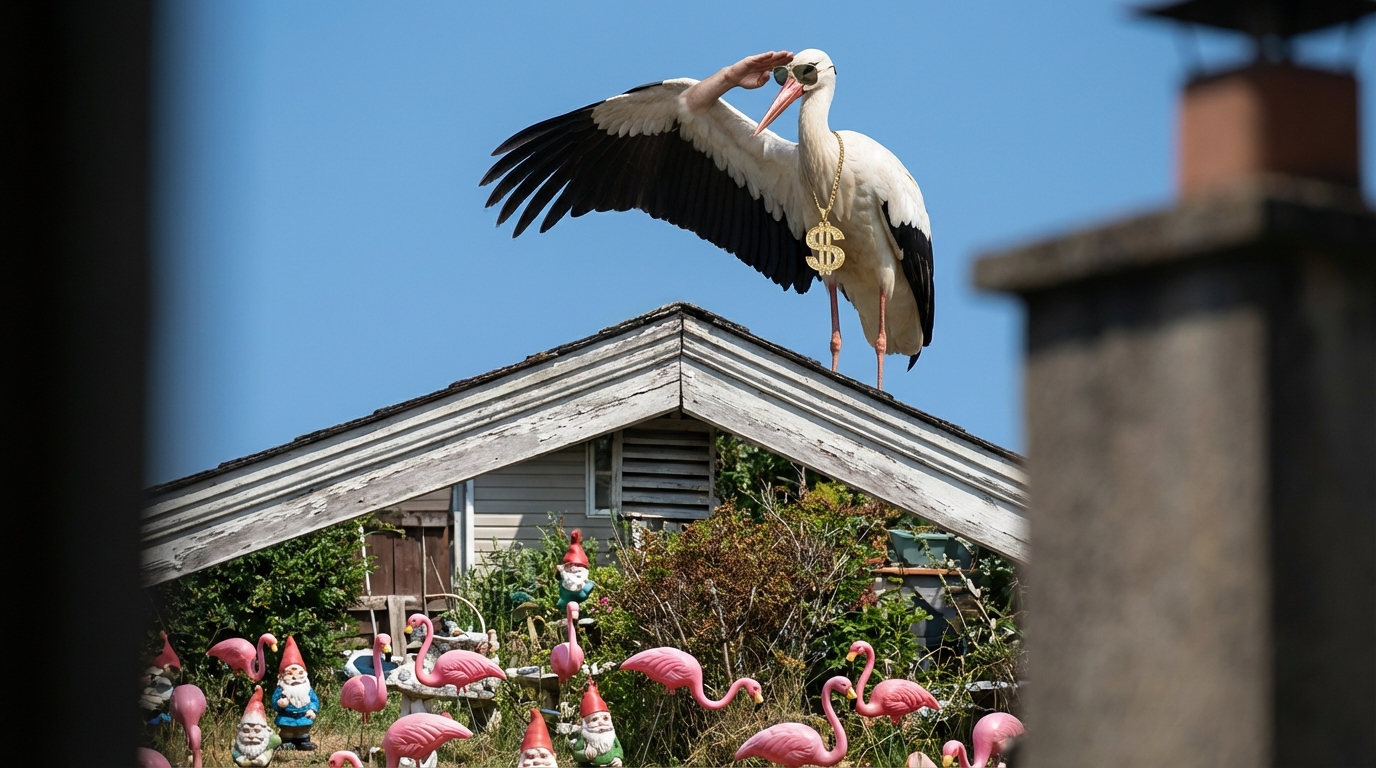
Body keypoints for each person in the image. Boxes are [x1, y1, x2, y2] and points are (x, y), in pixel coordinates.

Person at [270, 636, 319, 751]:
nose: (295, 677)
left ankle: (303, 741)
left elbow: (314, 700)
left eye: (299, 673)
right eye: (290, 673)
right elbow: (274, 702)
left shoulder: (307, 688)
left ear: (304, 674)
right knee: (287, 732)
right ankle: (286, 742)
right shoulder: (281, 689)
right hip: (286, 718)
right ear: (282, 676)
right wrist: (279, 703)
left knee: (303, 730)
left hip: (304, 717)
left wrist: (312, 709)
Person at [568, 681, 623, 767]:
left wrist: (617, 757)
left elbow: (618, 748)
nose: (601, 722)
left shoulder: (612, 736)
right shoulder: (584, 738)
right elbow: (576, 753)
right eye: (594, 719)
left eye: (605, 718)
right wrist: (585, 754)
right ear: (585, 724)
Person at [232, 686, 281, 766]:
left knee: (268, 751)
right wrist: (240, 759)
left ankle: (261, 760)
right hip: (243, 759)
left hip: (262, 756)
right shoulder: (238, 742)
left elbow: (277, 740)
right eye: (246, 730)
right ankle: (244, 761)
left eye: (257, 730)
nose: (251, 735)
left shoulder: (268, 739)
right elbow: (235, 751)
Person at [556, 530, 596, 609]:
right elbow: (590, 585)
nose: (575, 570)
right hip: (576, 597)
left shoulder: (564, 581)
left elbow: (558, 577)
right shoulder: (584, 585)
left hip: (566, 596)